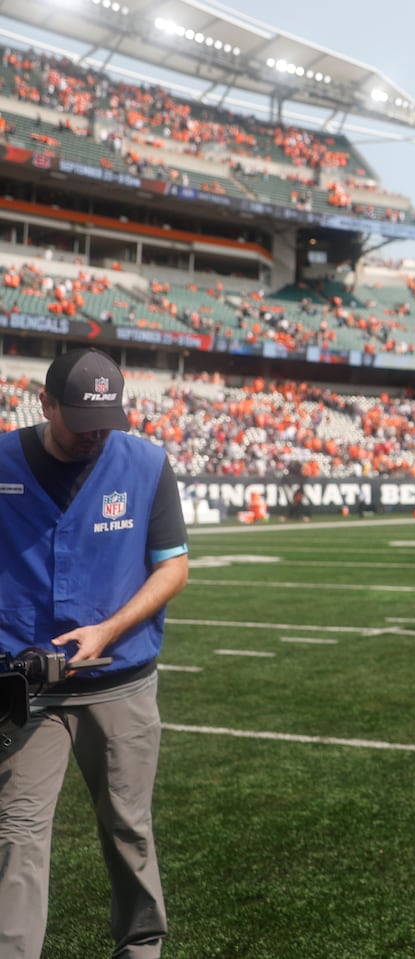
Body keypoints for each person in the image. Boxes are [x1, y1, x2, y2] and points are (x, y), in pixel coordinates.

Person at [0, 348, 190, 959]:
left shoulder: (147, 463)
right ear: (46, 404)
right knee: (16, 837)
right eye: (79, 419)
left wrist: (108, 630)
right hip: (26, 691)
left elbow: (173, 569)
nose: (94, 435)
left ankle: (141, 948)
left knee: (128, 830)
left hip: (121, 681)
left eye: (106, 420)